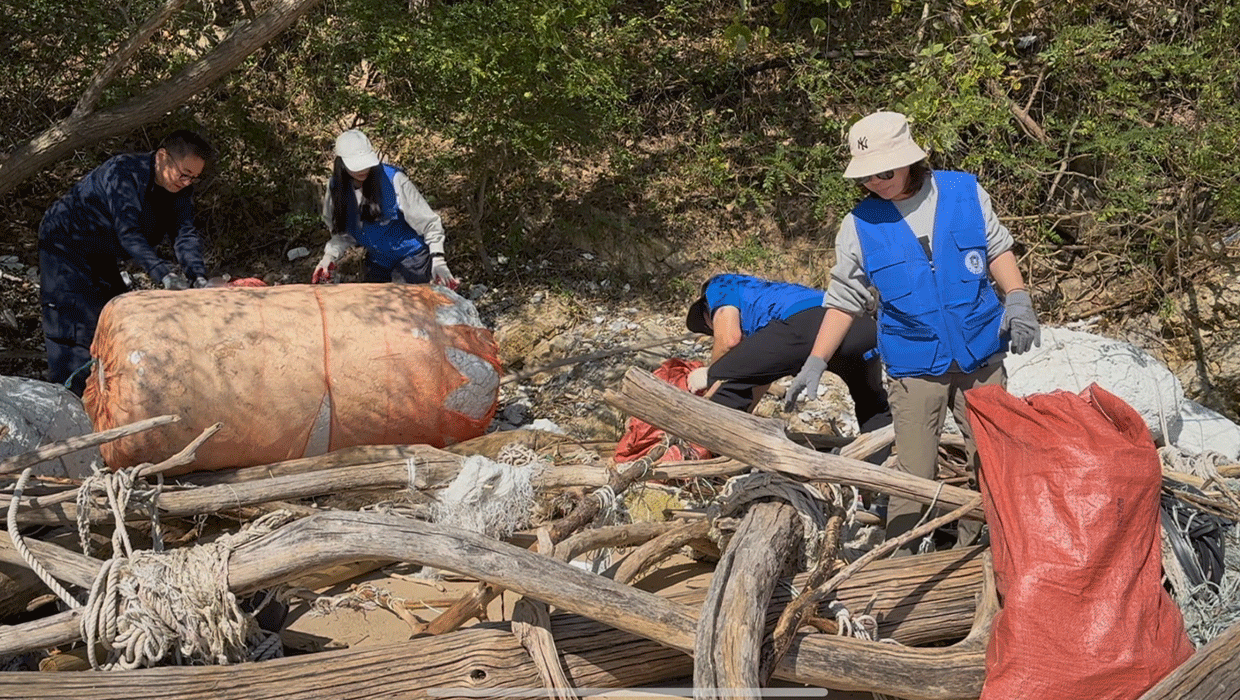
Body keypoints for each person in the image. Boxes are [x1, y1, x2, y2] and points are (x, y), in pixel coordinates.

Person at [784, 111, 1041, 552]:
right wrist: (815, 361)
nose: (876, 182)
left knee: (996, 459)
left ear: (910, 160)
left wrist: (1017, 296)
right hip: (915, 363)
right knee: (915, 473)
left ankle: (981, 548)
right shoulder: (859, 225)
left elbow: (997, 248)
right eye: (866, 175)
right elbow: (844, 298)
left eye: (885, 171)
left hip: (981, 352)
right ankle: (903, 555)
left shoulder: (963, 192)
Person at [38, 129, 216, 396]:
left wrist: (197, 276)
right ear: (162, 157)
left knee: (117, 317)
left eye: (194, 178)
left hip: (103, 252)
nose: (187, 182)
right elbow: (128, 232)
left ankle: (113, 395)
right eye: (184, 174)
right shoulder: (124, 172)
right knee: (76, 325)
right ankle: (73, 400)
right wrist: (163, 275)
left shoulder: (179, 190)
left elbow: (184, 232)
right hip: (66, 244)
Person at [686, 273, 891, 432]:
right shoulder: (766, 295)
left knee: (723, 374)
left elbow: (729, 340)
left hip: (809, 323)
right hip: (861, 326)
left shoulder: (719, 285)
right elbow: (760, 377)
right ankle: (881, 471)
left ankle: (713, 452)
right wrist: (746, 417)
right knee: (873, 406)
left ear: (707, 310)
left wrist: (711, 375)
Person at [312, 129, 457, 288]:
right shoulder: (335, 189)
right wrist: (328, 257)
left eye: (366, 163)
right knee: (375, 306)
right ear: (341, 163)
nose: (363, 170)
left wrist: (438, 260)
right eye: (356, 165)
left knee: (407, 306)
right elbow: (343, 235)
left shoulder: (394, 180)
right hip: (378, 259)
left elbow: (429, 222)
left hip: (412, 257)